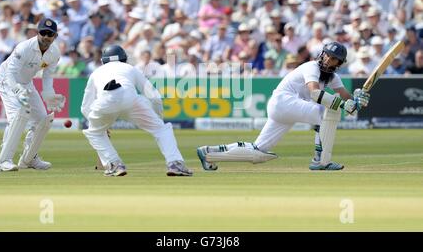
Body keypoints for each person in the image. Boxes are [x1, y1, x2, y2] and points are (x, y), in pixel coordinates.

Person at [197, 42, 371, 171]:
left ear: (339, 63)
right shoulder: (311, 67)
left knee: (258, 150)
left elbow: (345, 98)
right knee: (326, 112)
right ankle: (321, 161)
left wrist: (356, 101)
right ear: (322, 54)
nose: (328, 60)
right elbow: (315, 93)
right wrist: (344, 105)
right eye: (327, 55)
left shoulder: (332, 78)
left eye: (333, 59)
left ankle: (209, 153)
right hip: (284, 101)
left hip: (283, 108)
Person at [81, 45, 193, 177]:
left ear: (103, 60)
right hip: (130, 99)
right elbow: (153, 95)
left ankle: (114, 164)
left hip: (104, 101)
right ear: (124, 58)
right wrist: (158, 119)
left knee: (95, 133)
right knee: (162, 130)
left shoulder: (95, 73)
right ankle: (175, 164)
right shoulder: (130, 68)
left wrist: (99, 125)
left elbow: (85, 107)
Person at [0, 18, 65, 172]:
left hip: (27, 82)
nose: (46, 37)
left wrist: (49, 95)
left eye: (50, 34)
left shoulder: (54, 53)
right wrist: (17, 90)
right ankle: (3, 161)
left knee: (42, 119)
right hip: (6, 80)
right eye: (43, 33)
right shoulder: (24, 47)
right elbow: (10, 74)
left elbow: (47, 76)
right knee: (17, 117)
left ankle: (29, 158)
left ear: (55, 36)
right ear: (37, 33)